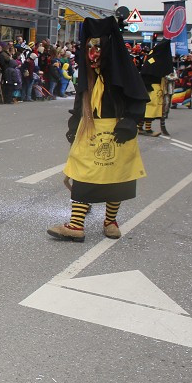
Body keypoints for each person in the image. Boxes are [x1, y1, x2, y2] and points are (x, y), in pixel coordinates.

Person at [48, 16, 148, 243]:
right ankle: (75, 225)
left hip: (117, 131)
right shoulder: (88, 72)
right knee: (83, 176)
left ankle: (110, 221)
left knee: (116, 179)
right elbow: (81, 98)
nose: (93, 52)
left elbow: (138, 98)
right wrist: (74, 124)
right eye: (89, 47)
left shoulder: (123, 70)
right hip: (90, 129)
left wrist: (130, 122)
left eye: (98, 47)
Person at [139, 38, 173, 135]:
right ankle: (147, 129)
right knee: (150, 108)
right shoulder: (153, 59)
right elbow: (146, 72)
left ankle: (140, 127)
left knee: (150, 108)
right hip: (151, 86)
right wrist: (147, 85)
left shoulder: (157, 59)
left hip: (157, 86)